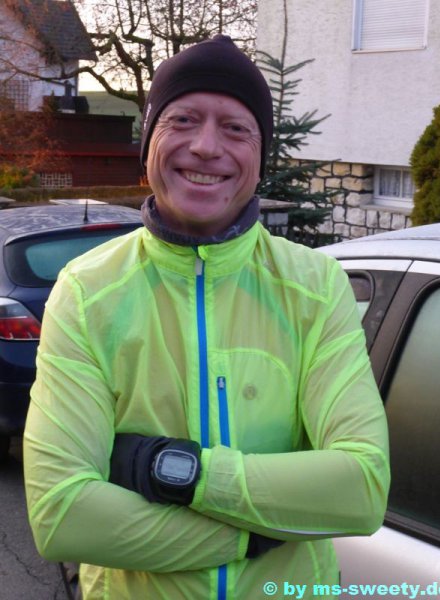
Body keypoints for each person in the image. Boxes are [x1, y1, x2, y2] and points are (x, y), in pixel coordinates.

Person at [23, 35, 390, 600]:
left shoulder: (315, 287)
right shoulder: (87, 291)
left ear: (260, 158)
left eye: (236, 128)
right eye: (183, 119)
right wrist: (257, 534)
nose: (205, 146)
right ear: (149, 141)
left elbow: (361, 490)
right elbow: (63, 515)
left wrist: (169, 468)